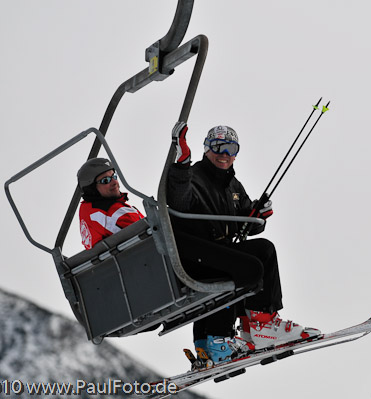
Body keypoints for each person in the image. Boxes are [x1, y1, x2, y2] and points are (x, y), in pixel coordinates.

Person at [167, 122, 320, 364]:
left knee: (258, 252)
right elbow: (179, 201)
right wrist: (181, 164)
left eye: (231, 148)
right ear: (206, 148)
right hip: (195, 253)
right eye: (218, 147)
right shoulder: (193, 177)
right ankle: (237, 332)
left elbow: (246, 221)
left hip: (216, 252)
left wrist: (259, 214)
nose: (224, 155)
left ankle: (220, 339)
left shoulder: (232, 186)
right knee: (251, 263)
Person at [77, 158, 145, 249]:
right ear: (92, 189)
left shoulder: (87, 209)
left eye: (114, 176)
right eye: (106, 180)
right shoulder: (113, 213)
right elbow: (151, 233)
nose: (115, 182)